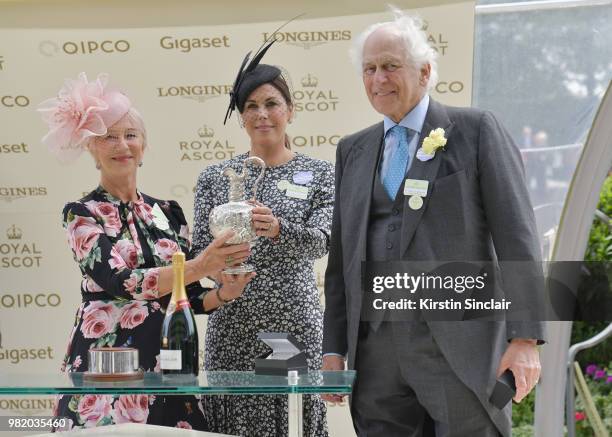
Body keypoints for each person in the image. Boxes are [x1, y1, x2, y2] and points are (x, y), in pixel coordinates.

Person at [322, 10, 544, 437]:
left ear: (424, 71)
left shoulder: (476, 130)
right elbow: (342, 260)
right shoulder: (353, 150)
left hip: (463, 352)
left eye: (390, 66)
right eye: (369, 69)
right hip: (376, 358)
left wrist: (525, 340)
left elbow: (519, 238)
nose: (378, 79)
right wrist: (334, 348)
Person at [39, 72, 254, 431]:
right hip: (105, 368)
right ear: (91, 149)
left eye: (130, 135)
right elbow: (120, 282)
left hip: (167, 364)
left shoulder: (168, 211)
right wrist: (202, 264)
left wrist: (222, 293)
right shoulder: (80, 214)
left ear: (144, 147)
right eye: (109, 137)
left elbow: (185, 297)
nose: (121, 145)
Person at [192, 46, 333, 436]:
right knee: (231, 419)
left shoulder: (319, 173)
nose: (262, 114)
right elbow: (199, 255)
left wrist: (277, 228)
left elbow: (323, 242)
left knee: (290, 420)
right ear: (241, 117)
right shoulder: (216, 177)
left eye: (272, 103)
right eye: (251, 105)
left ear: (291, 109)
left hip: (290, 327)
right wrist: (222, 261)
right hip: (232, 325)